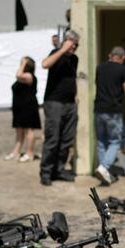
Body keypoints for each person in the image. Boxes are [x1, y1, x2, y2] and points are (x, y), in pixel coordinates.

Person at [93, 47, 125, 185]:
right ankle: (104, 167)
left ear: (110, 55)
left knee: (101, 141)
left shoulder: (100, 68)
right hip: (113, 111)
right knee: (115, 141)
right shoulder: (123, 70)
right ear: (123, 57)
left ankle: (105, 173)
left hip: (99, 109)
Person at [39, 30, 80, 186]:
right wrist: (62, 49)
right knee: (52, 138)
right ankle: (46, 172)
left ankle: (59, 170)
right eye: (72, 43)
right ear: (66, 41)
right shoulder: (56, 53)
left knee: (67, 139)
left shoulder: (74, 59)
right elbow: (44, 64)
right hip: (54, 102)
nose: (74, 47)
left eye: (76, 45)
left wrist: (75, 95)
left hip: (70, 103)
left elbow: (72, 78)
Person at [6, 57, 40, 162]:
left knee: (28, 130)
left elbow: (18, 75)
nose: (20, 64)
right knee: (19, 130)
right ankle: (16, 152)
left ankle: (29, 153)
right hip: (19, 107)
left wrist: (23, 63)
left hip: (28, 107)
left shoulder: (29, 76)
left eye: (22, 63)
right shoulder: (23, 76)